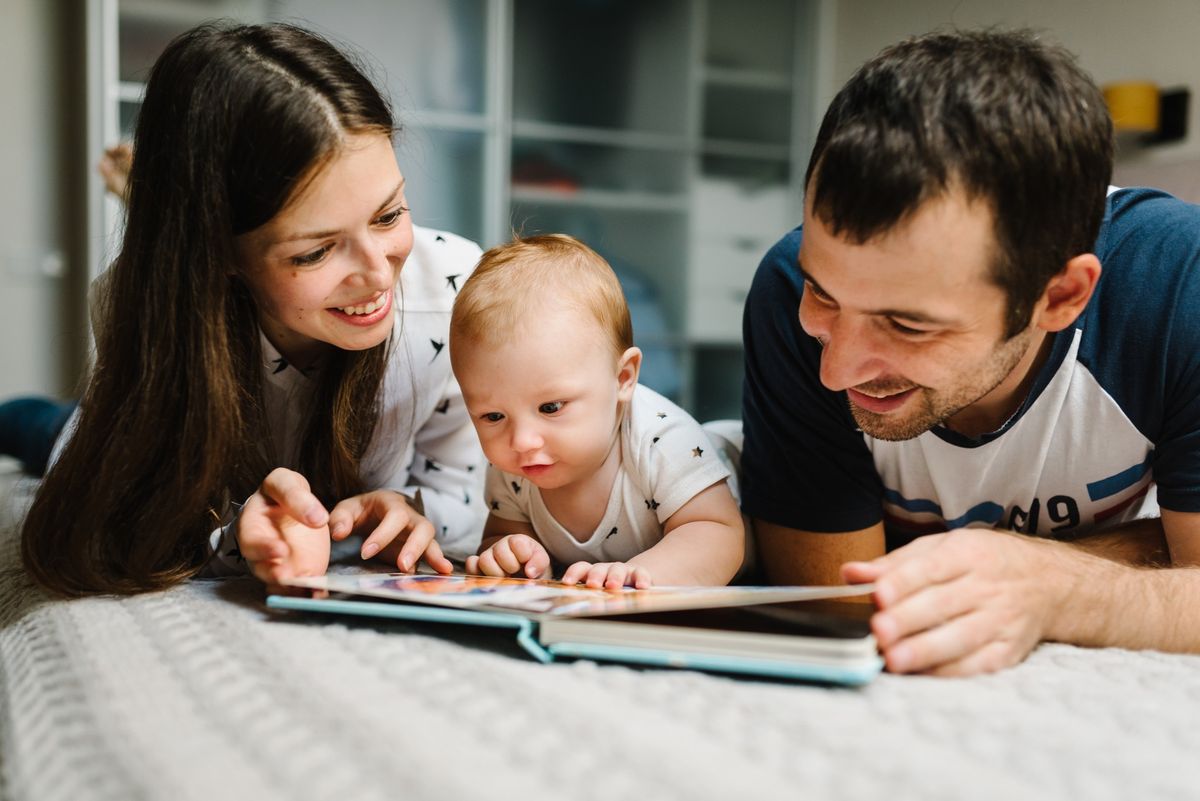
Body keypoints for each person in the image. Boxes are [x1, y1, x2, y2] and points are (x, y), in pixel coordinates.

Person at [741, 28, 1200, 676]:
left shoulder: (1180, 286)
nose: (835, 369)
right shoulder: (784, 289)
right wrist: (1144, 550)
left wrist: (1053, 584)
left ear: (1061, 296)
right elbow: (851, 607)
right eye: (824, 292)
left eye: (907, 324)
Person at [20, 22, 488, 596]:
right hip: (121, 407)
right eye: (315, 251)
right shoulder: (134, 308)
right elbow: (100, 529)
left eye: (389, 215)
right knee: (38, 428)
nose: (376, 273)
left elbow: (476, 495)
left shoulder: (454, 294)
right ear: (218, 252)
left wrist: (405, 514)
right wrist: (236, 533)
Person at [449, 235, 744, 589]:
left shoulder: (663, 444)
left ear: (623, 377)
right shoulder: (514, 469)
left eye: (551, 407)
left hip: (752, 466)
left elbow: (721, 535)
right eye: (492, 416)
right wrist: (512, 553)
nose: (522, 440)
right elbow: (503, 534)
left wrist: (643, 572)